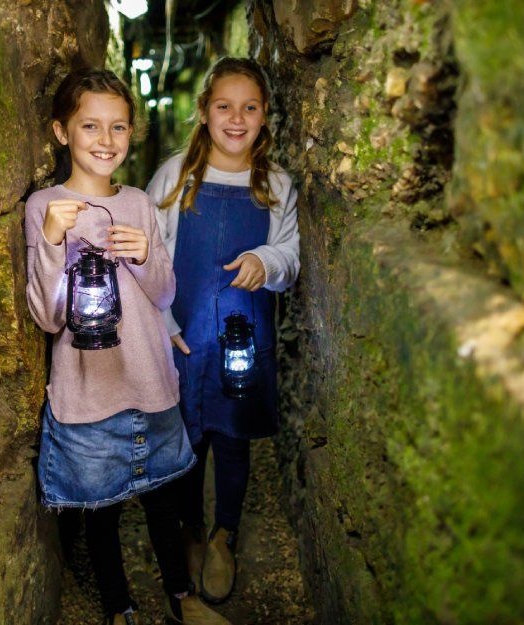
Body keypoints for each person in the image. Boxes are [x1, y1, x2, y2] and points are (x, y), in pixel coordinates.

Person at [24, 67, 232, 625]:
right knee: (103, 511)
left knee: (163, 500)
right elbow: (47, 316)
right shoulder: (44, 206)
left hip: (149, 379)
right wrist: (49, 240)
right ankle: (120, 607)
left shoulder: (140, 203)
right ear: (61, 132)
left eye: (118, 127)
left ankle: (183, 599)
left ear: (131, 133)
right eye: (90, 125)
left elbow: (164, 293)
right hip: (89, 388)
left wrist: (144, 256)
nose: (105, 140)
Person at [146, 57, 300, 604]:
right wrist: (160, 320)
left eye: (249, 108)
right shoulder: (174, 176)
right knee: (186, 436)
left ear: (264, 117)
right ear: (205, 112)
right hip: (184, 335)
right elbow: (147, 253)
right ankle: (189, 529)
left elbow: (289, 255)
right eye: (224, 106)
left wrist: (266, 259)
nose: (236, 118)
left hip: (244, 336)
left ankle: (224, 534)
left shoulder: (276, 182)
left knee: (233, 437)